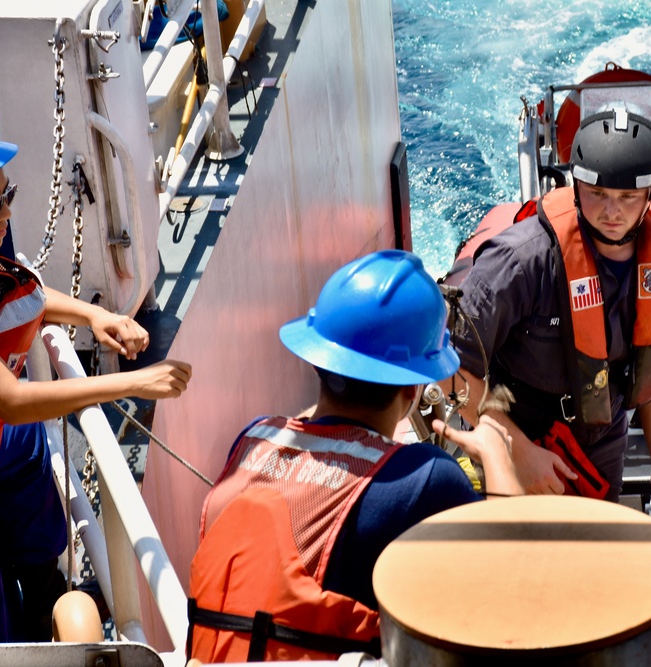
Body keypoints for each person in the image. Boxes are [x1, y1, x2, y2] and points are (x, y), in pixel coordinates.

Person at [187, 249, 520, 663]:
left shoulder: (252, 438)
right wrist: (498, 455)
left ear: (318, 362)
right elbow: (516, 582)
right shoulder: (425, 479)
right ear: (412, 389)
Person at [448, 108, 651, 524]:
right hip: (512, 429)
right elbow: (451, 369)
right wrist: (516, 450)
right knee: (517, 568)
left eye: (627, 198)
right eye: (597, 193)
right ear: (576, 185)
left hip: (600, 441)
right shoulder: (519, 262)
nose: (611, 211)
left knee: (587, 568)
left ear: (649, 194)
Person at [0, 132, 192, 642]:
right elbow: (11, 400)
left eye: (7, 197)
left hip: (3, 450)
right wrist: (133, 382)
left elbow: (26, 296)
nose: (5, 216)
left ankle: (43, 599)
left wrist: (95, 314)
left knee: (39, 571)